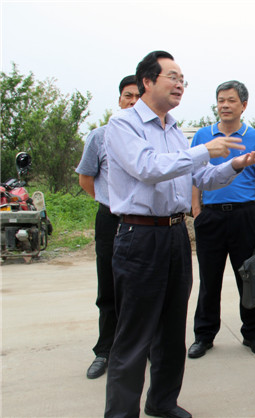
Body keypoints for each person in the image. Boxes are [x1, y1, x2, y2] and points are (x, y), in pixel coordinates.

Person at [103, 50, 255, 418]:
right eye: (172, 77)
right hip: (140, 235)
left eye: (183, 80)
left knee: (172, 327)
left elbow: (201, 178)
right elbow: (148, 167)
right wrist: (204, 151)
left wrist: (234, 165)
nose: (180, 85)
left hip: (176, 234)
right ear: (148, 81)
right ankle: (121, 413)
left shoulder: (176, 130)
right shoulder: (123, 124)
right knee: (134, 334)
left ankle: (162, 401)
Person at [188, 80, 255, 359]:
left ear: (243, 105)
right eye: (221, 100)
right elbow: (194, 177)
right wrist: (196, 210)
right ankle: (204, 335)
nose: (224, 105)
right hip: (210, 216)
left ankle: (253, 334)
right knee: (209, 279)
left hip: (244, 216)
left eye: (231, 100)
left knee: (248, 277)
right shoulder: (203, 136)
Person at [76, 75, 140, 380]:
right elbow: (86, 178)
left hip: (141, 222)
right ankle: (105, 350)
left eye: (138, 96)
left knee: (141, 287)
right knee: (109, 286)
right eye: (128, 96)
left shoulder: (152, 138)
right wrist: (110, 202)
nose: (133, 102)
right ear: (119, 100)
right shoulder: (99, 136)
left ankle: (142, 347)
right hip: (111, 219)